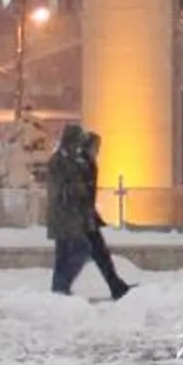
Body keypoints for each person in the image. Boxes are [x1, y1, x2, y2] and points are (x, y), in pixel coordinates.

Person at [45, 123, 128, 300]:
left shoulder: (76, 161)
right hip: (67, 216)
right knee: (80, 250)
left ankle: (60, 289)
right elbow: (60, 189)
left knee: (73, 253)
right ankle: (61, 288)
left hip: (78, 215)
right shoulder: (60, 161)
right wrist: (78, 190)